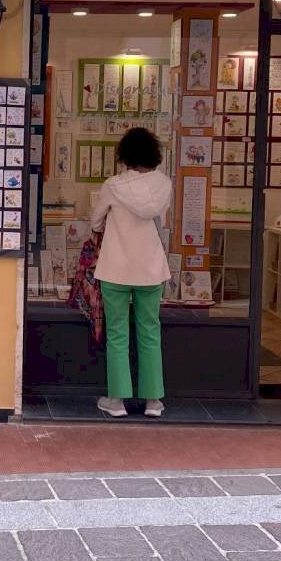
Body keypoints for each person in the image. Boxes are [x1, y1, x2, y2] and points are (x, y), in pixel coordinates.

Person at [91, 127, 173, 419]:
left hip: (116, 267)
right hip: (150, 268)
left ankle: (117, 401)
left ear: (124, 154)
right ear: (154, 153)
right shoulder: (164, 185)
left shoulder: (114, 185)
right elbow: (157, 216)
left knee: (117, 334)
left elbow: (96, 220)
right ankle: (153, 401)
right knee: (150, 332)